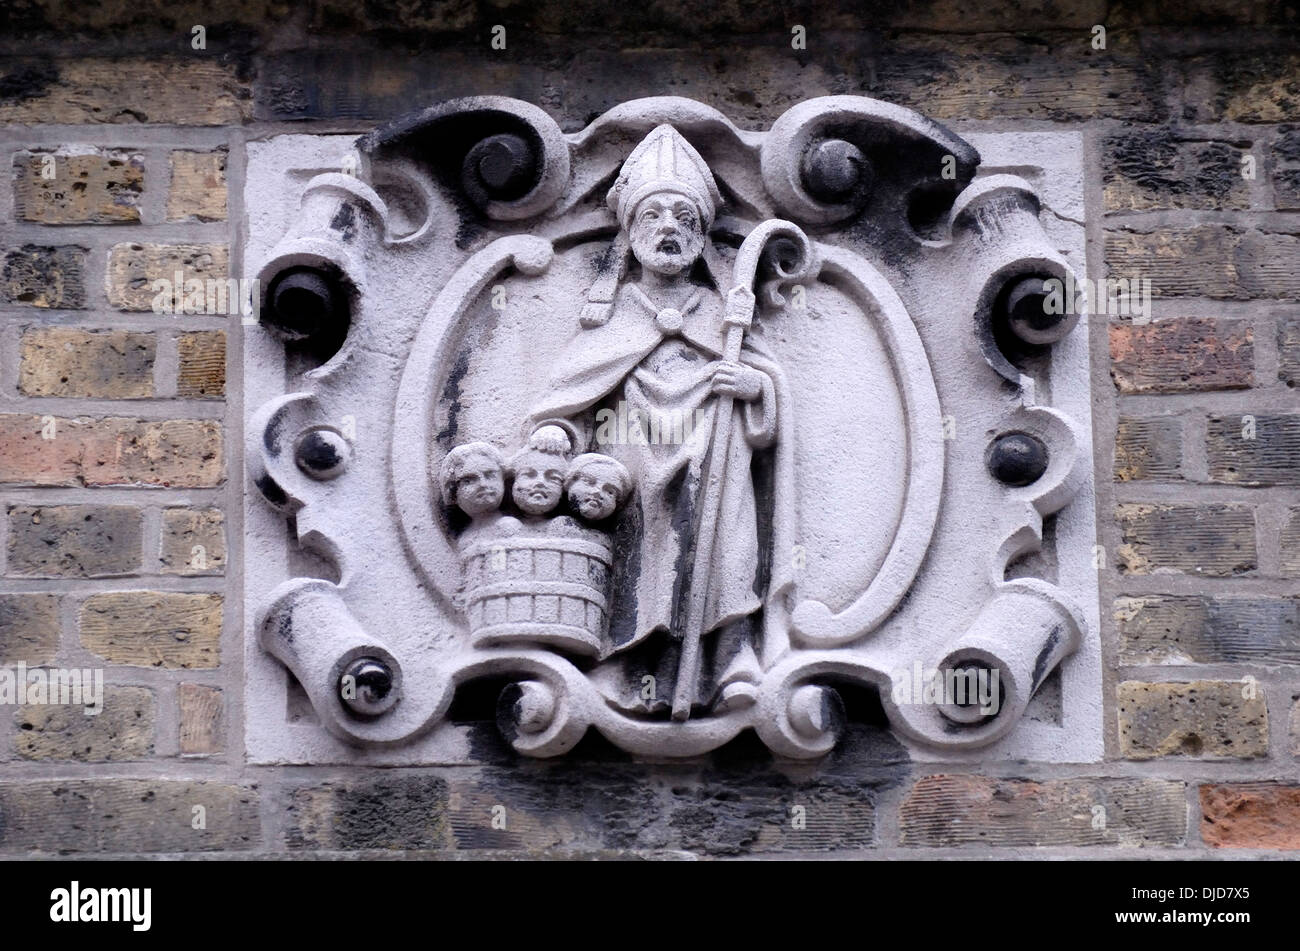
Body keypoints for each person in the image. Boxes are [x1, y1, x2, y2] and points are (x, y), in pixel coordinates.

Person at [526, 124, 799, 717]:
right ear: (630, 234)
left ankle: (731, 657)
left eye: (684, 218)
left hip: (718, 450)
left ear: (701, 237)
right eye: (653, 217)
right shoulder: (616, 318)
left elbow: (772, 401)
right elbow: (573, 397)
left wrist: (754, 389)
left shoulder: (723, 320)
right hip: (632, 453)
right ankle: (627, 664)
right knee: (639, 545)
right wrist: (556, 431)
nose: (669, 228)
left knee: (728, 537)